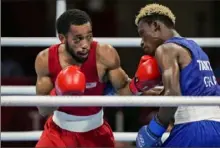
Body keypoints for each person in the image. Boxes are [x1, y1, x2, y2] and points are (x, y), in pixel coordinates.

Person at [35, 9, 161, 147]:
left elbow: (123, 89)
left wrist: (138, 85)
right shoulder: (45, 60)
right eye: (78, 39)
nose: (85, 45)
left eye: (89, 37)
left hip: (95, 134)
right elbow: (43, 110)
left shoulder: (104, 54)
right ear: (62, 38)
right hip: (57, 134)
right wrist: (58, 92)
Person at [135, 3, 220, 147]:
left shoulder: (165, 49)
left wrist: (154, 130)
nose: (141, 42)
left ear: (156, 26)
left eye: (142, 33)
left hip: (194, 129)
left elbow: (173, 95)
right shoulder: (196, 48)